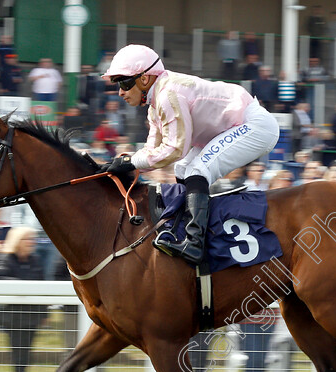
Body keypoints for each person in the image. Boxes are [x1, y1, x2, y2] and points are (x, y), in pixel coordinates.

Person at [100, 44, 279, 264]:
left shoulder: (167, 96)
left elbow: (175, 149)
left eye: (124, 83)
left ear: (144, 79)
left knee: (198, 170)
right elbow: (153, 152)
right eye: (117, 84)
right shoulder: (155, 105)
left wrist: (132, 162)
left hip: (254, 125)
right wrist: (123, 162)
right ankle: (184, 231)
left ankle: (195, 243)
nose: (120, 92)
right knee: (182, 169)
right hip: (229, 127)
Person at [0, 227, 48, 372]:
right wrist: (24, 286)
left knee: (27, 350)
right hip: (12, 316)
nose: (32, 242)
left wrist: (44, 313)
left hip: (32, 315)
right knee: (18, 349)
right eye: (28, 239)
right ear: (17, 241)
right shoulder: (4, 259)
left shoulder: (35, 260)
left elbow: (43, 285)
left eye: (33, 239)